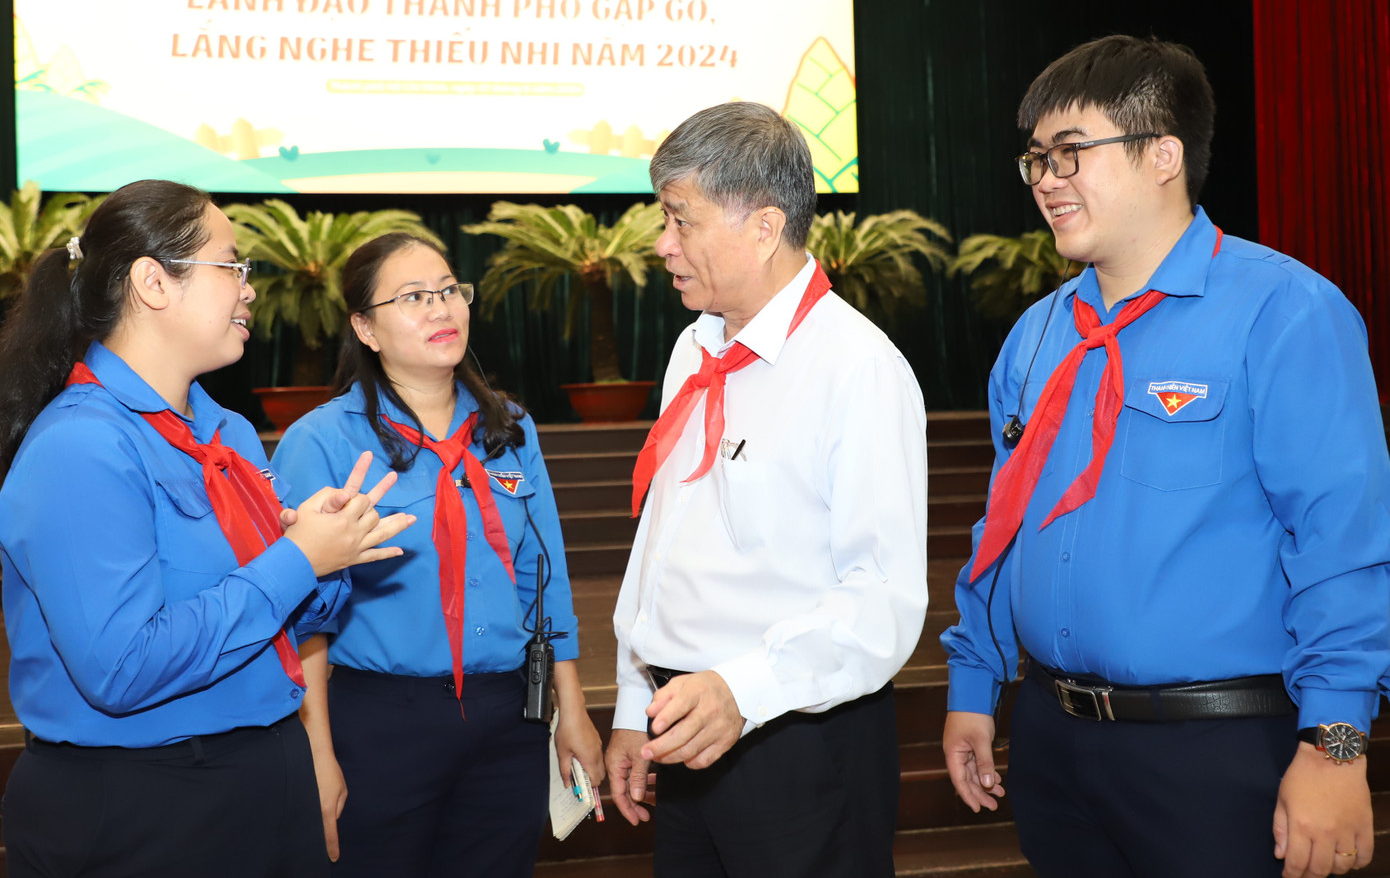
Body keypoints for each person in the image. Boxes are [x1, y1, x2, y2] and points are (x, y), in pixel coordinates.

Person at [941, 35, 1390, 878]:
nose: (1046, 178)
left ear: (1163, 155)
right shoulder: (1037, 336)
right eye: (1036, 158)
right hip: (1052, 742)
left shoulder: (1286, 311)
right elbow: (1002, 527)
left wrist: (1335, 744)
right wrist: (974, 684)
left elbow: (1343, 542)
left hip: (1216, 751)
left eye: (1071, 151)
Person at [0, 179, 413, 878]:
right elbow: (122, 668)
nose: (249, 291)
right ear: (153, 283)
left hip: (261, 769)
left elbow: (281, 617)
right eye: (231, 266)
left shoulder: (229, 432)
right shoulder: (81, 444)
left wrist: (328, 552)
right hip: (142, 802)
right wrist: (295, 560)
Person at [603, 101, 929, 878]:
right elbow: (663, 541)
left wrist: (741, 689)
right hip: (685, 727)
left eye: (681, 219)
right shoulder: (695, 347)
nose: (663, 243)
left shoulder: (857, 367)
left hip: (796, 741)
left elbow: (881, 599)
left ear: (763, 226)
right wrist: (632, 703)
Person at [270, 231, 603, 878]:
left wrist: (573, 708)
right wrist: (317, 750)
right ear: (365, 327)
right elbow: (300, 614)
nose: (441, 308)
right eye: (414, 296)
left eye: (450, 290)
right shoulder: (322, 441)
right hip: (382, 724)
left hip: (509, 717)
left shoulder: (510, 427)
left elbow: (544, 577)